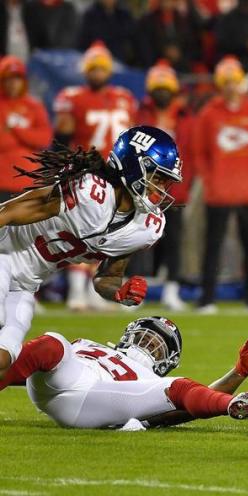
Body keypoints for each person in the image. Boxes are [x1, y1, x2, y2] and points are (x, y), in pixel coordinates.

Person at [0, 126, 183, 381]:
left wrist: (118, 292)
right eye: (157, 177)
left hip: (26, 284)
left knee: (4, 357)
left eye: (166, 181)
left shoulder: (146, 228)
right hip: (3, 256)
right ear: (132, 166)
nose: (161, 188)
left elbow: (106, 279)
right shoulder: (88, 192)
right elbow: (8, 211)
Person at [0, 316, 248, 428]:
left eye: (159, 345)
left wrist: (238, 373)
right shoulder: (89, 344)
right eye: (146, 336)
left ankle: (237, 405)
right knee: (51, 344)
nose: (149, 344)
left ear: (167, 360)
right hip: (67, 378)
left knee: (181, 388)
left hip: (94, 401)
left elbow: (187, 405)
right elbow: (27, 365)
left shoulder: (150, 379)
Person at [53, 42, 137, 311]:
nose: (98, 73)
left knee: (110, 233)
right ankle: (77, 292)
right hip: (87, 173)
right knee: (81, 229)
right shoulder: (74, 96)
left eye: (102, 68)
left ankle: (97, 289)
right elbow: (62, 136)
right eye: (94, 68)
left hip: (117, 175)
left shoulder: (124, 97)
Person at [194, 56, 248, 312]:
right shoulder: (209, 113)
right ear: (220, 84)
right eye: (225, 81)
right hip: (219, 193)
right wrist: (211, 181)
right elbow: (200, 153)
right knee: (212, 247)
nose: (230, 86)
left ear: (241, 82)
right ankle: (207, 298)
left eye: (234, 81)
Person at [136, 60, 193, 311]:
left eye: (165, 87)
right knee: (137, 239)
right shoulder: (139, 114)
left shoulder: (184, 117)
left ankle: (171, 291)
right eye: (157, 87)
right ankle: (133, 292)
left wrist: (186, 182)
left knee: (173, 242)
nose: (161, 92)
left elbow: (192, 152)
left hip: (174, 189)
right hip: (143, 188)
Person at [0, 55, 52, 203]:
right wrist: (27, 138)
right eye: (8, 78)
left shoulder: (34, 106)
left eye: (17, 78)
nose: (13, 83)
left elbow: (44, 139)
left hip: (27, 183)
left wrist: (15, 130)